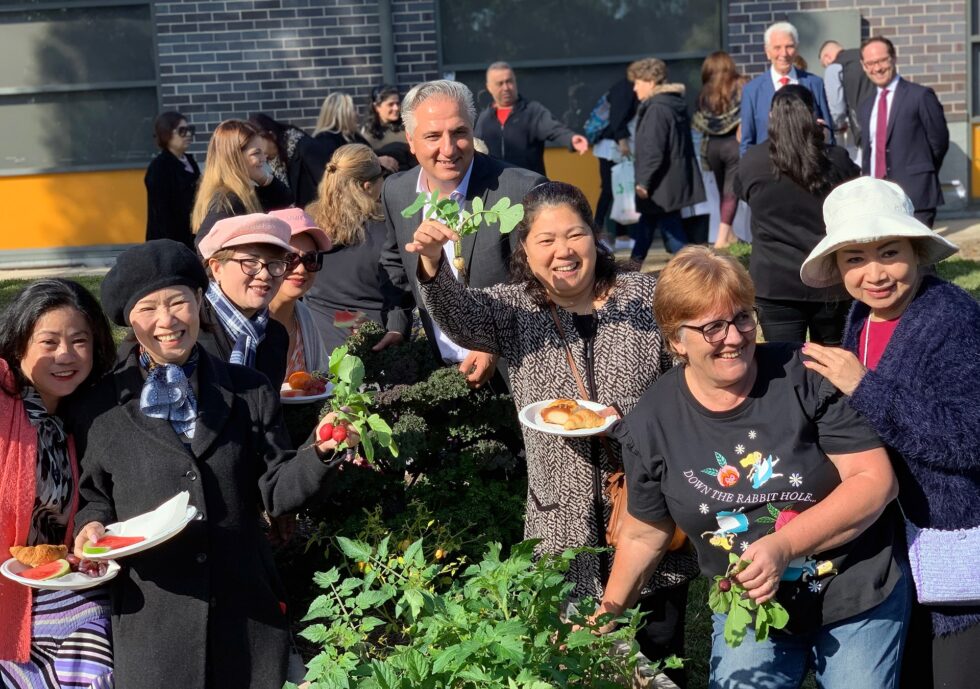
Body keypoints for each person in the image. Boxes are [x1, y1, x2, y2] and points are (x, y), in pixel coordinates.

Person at [408, 181, 698, 676]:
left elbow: (688, 387)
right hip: (560, 521)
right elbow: (460, 318)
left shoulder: (645, 299)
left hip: (647, 510)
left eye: (575, 235)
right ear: (525, 248)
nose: (563, 251)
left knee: (657, 657)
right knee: (576, 661)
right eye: (546, 240)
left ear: (595, 236)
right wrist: (433, 264)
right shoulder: (514, 308)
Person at [599, 246, 908, 689]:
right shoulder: (653, 420)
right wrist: (607, 613)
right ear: (675, 340)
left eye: (742, 317)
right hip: (749, 601)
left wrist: (782, 545)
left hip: (854, 586)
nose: (734, 337)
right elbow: (645, 532)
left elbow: (874, 481)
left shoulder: (804, 375)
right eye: (712, 327)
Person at [70, 239, 357, 689]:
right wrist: (90, 526)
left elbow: (277, 489)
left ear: (200, 301)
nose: (166, 321)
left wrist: (321, 452)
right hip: (155, 621)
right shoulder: (100, 405)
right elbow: (93, 498)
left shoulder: (249, 389)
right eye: (148, 309)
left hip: (246, 615)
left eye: (178, 302)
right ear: (129, 320)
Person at [799, 177, 979, 689]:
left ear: (918, 252)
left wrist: (863, 385)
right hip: (896, 539)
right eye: (854, 258)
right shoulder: (864, 315)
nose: (874, 273)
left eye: (889, 252)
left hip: (955, 541)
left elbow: (967, 439)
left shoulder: (953, 320)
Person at [380, 79, 545, 387]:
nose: (448, 148)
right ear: (410, 141)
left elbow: (543, 285)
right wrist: (397, 326)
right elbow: (395, 263)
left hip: (513, 375)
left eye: (459, 132)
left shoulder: (522, 189)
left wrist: (492, 342)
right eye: (433, 136)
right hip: (439, 370)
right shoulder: (396, 191)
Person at [0, 280, 116, 688]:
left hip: (61, 585)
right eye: (48, 342)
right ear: (18, 348)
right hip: (7, 598)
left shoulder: (85, 416)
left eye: (79, 341)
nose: (65, 355)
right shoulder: (3, 397)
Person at [735, 85, 859, 345]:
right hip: (828, 276)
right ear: (814, 116)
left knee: (784, 364)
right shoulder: (836, 159)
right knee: (833, 360)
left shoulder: (752, 162)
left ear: (771, 117)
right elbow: (855, 194)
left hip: (774, 281)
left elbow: (742, 194)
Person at [305, 144, 414, 353]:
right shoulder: (385, 231)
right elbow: (400, 293)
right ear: (367, 186)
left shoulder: (309, 224)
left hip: (316, 337)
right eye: (382, 175)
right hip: (371, 343)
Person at [858, 36, 949, 228]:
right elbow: (870, 151)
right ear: (864, 66)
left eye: (882, 60)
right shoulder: (866, 106)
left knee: (917, 257)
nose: (878, 68)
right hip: (878, 197)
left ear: (893, 59)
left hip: (915, 193)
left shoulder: (920, 96)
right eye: (871, 63)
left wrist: (921, 172)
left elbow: (939, 141)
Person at [197, 213, 295, 389]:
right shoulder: (191, 327)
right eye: (250, 262)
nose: (264, 274)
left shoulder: (276, 335)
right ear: (217, 268)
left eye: (275, 263)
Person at [629, 58, 705, 262]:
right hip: (669, 183)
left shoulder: (657, 109)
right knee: (647, 226)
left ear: (651, 81)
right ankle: (628, 270)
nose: (635, 88)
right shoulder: (670, 104)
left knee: (673, 235)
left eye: (637, 82)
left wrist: (644, 182)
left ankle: (694, 270)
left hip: (661, 186)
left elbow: (653, 149)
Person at [474, 61, 589, 176]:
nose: (506, 88)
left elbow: (554, 128)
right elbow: (475, 148)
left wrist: (571, 138)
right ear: (489, 87)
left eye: (509, 81)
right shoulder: (484, 119)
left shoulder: (532, 111)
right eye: (500, 83)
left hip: (530, 185)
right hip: (496, 186)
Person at [191, 120, 291, 249]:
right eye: (256, 153)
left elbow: (284, 200)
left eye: (262, 152)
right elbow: (203, 244)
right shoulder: (229, 199)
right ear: (234, 157)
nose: (264, 158)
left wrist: (263, 178)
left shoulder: (241, 193)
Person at [739, 21, 834, 156]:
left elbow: (829, 133)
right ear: (767, 52)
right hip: (769, 169)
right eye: (777, 48)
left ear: (797, 49)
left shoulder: (814, 84)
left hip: (811, 167)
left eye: (789, 46)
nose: (784, 53)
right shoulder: (752, 91)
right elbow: (746, 144)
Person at [267, 208, 333, 378]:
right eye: (290, 260)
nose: (301, 269)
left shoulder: (304, 317)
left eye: (310, 259)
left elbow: (321, 379)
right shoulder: (248, 320)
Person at [693, 52, 746, 249]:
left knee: (722, 191)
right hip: (734, 143)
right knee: (731, 193)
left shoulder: (704, 93)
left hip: (712, 146)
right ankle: (721, 239)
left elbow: (698, 120)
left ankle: (729, 234)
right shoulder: (740, 85)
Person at [591, 75, 639, 246]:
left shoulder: (624, 88)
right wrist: (622, 140)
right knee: (609, 191)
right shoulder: (625, 89)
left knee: (621, 190)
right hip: (611, 148)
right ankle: (597, 234)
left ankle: (621, 236)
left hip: (614, 147)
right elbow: (617, 118)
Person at [248, 113, 333, 209]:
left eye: (258, 145)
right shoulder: (270, 160)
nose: (257, 151)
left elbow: (328, 182)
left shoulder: (304, 147)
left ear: (271, 135)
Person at [145, 111, 200, 248]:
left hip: (192, 234)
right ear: (166, 133)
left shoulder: (189, 161)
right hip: (170, 241)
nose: (188, 134)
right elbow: (160, 214)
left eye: (189, 130)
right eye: (182, 131)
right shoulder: (159, 167)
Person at [818, 40, 875, 150]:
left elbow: (838, 110)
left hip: (864, 131)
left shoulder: (834, 67)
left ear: (827, 58)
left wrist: (836, 126)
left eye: (824, 65)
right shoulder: (867, 57)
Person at [360, 84, 415, 174]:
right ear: (376, 107)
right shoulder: (366, 133)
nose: (396, 108)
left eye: (397, 103)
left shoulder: (406, 128)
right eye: (390, 104)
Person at [313, 93, 369, 163]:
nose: (357, 114)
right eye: (354, 109)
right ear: (342, 114)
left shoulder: (353, 136)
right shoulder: (325, 141)